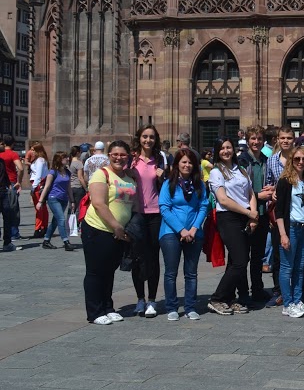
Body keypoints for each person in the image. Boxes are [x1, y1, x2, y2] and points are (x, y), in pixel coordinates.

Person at [82, 141, 138, 325]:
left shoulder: (129, 178)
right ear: (109, 155)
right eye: (115, 154)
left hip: (118, 232)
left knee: (109, 271)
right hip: (98, 228)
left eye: (123, 154)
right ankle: (94, 311)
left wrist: (125, 229)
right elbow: (98, 203)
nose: (119, 158)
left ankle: (107, 307)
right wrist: (116, 225)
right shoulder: (101, 174)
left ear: (128, 156)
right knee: (95, 271)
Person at [206, 138, 258, 316]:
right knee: (240, 260)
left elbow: (250, 193)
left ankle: (229, 298)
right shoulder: (216, 172)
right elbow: (223, 200)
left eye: (228, 147)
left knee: (237, 260)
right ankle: (217, 298)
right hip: (228, 217)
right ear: (217, 152)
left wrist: (253, 214)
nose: (226, 151)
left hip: (244, 216)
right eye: (222, 148)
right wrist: (248, 212)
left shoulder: (241, 169)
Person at [158, 148, 210, 321]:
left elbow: (203, 206)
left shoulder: (199, 184)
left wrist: (194, 229)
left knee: (191, 272)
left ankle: (190, 307)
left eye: (190, 162)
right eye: (184, 162)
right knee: (171, 272)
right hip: (171, 232)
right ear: (177, 164)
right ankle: (172, 307)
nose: (187, 165)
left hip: (194, 232)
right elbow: (164, 208)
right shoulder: (168, 184)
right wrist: (181, 230)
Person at [275, 146, 304, 319]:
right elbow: (279, 212)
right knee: (287, 267)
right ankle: (287, 304)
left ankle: (297, 300)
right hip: (290, 228)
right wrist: (283, 234)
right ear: (292, 161)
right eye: (297, 159)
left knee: (300, 268)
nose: (301, 162)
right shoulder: (285, 181)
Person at [131, 125, 167, 318]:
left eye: (151, 137)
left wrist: (165, 175)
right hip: (135, 213)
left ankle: (152, 300)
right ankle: (139, 299)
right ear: (139, 138)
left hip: (155, 213)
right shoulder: (131, 159)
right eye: (145, 136)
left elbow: (169, 183)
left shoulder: (160, 159)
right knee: (137, 257)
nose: (148, 140)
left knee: (153, 257)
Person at [237, 125, 275, 303]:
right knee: (242, 256)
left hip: (262, 213)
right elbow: (239, 188)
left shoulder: (267, 160)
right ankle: (243, 292)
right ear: (247, 140)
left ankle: (257, 289)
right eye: (253, 138)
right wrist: (258, 195)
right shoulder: (242, 160)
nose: (256, 142)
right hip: (245, 213)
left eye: (259, 139)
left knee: (258, 255)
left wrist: (272, 188)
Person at [265, 126, 296, 306]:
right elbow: (268, 184)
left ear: (294, 140)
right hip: (279, 212)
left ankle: (299, 289)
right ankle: (278, 290)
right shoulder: (271, 161)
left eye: (289, 138)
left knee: (298, 253)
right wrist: (272, 192)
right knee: (277, 253)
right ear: (277, 139)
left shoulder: (299, 159)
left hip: (297, 211)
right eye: (282, 138)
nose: (285, 141)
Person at [37, 151, 74, 251]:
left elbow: (69, 187)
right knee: (61, 219)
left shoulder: (67, 172)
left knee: (55, 221)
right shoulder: (53, 172)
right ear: (59, 159)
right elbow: (47, 187)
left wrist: (72, 200)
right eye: (65, 157)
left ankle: (46, 241)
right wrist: (40, 201)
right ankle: (66, 242)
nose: (67, 159)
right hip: (53, 198)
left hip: (64, 199)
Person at [0, 134, 23, 252]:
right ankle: (11, 238)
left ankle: (7, 242)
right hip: (4, 190)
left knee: (8, 216)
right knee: (12, 213)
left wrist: (9, 185)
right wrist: (18, 181)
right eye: (1, 144)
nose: (3, 145)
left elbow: (4, 176)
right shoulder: (12, 154)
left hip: (4, 190)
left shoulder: (2, 160)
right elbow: (21, 168)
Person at [28, 143, 50, 238]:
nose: (31, 152)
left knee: (39, 208)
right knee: (42, 207)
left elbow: (38, 175)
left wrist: (34, 187)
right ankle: (43, 227)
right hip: (39, 184)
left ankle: (39, 228)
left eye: (33, 150)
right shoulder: (40, 160)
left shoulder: (40, 161)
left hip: (38, 185)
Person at [68, 146, 85, 218]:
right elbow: (80, 177)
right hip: (78, 187)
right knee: (78, 208)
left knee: (71, 206)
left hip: (70, 187)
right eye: (80, 152)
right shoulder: (78, 163)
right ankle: (76, 225)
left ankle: (69, 224)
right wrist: (86, 188)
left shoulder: (69, 162)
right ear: (78, 153)